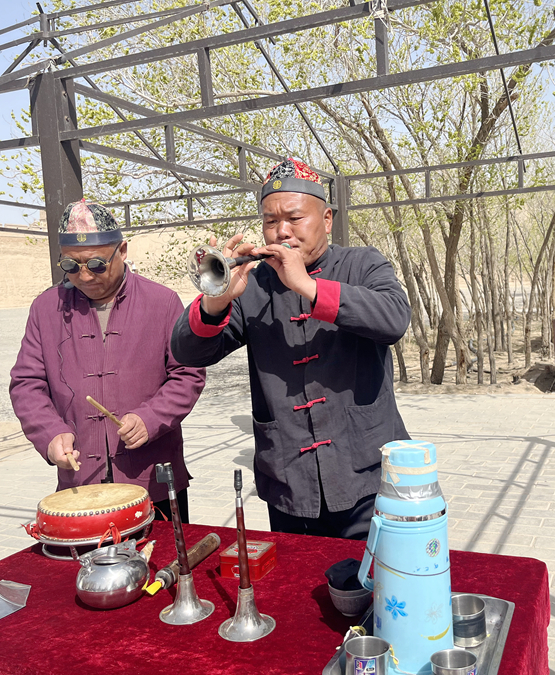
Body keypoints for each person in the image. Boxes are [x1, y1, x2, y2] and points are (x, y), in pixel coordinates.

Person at [171, 158, 411, 540]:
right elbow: (187, 353)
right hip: (288, 483)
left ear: (326, 219)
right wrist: (217, 300)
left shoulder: (363, 264)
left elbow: (394, 318)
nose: (281, 231)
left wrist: (309, 287)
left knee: (377, 574)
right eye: (270, 221)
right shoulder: (253, 284)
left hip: (367, 477)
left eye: (294, 218)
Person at [10, 199, 206, 523]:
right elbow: (26, 384)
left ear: (122, 251)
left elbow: (187, 374)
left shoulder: (162, 302)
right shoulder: (45, 309)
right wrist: (50, 434)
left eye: (97, 264)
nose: (85, 276)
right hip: (81, 485)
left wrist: (150, 418)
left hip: (152, 480)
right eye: (71, 266)